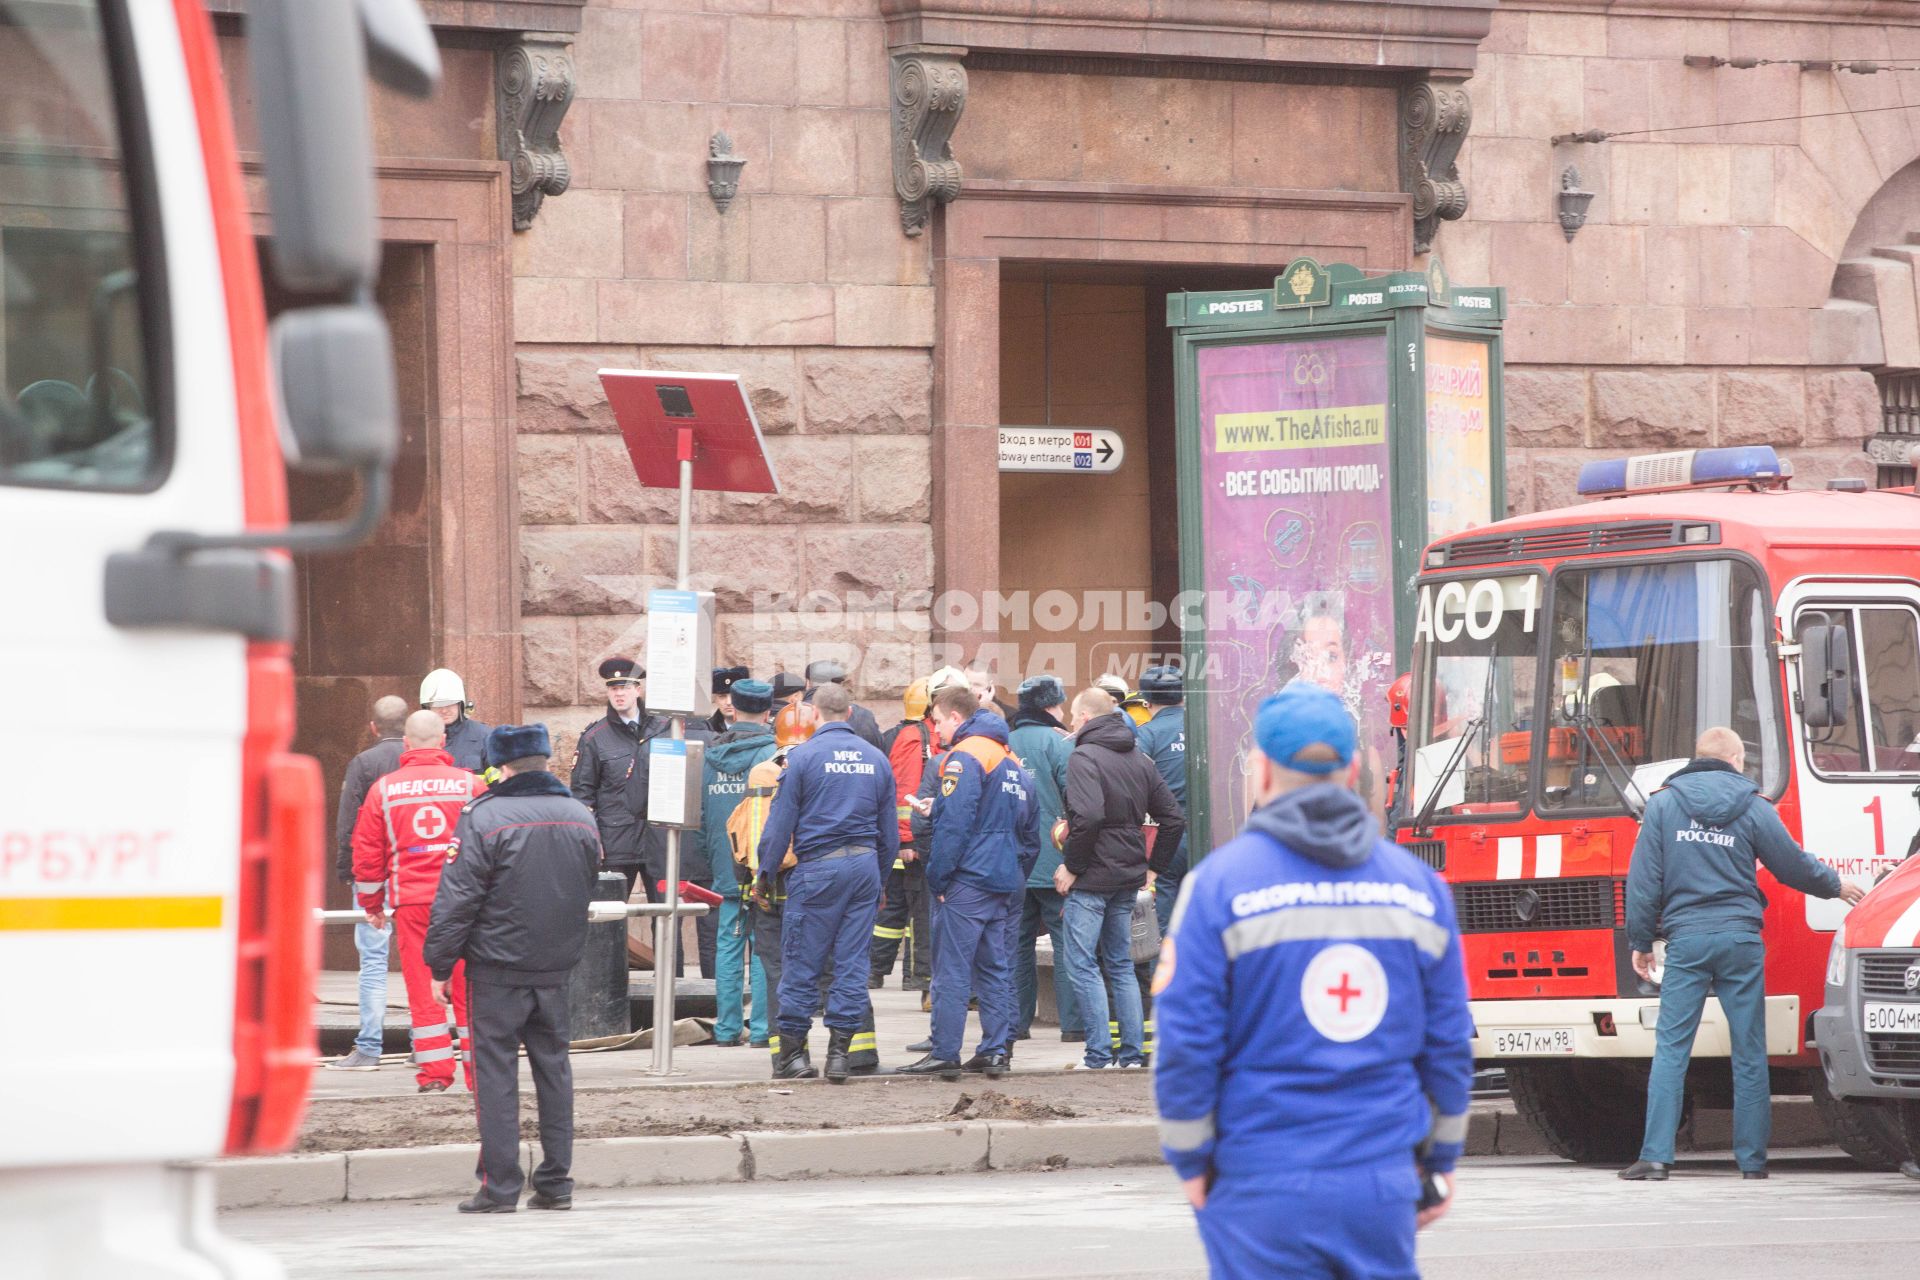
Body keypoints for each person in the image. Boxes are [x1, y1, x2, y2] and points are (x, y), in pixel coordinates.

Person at [1153, 682, 1474, 1279]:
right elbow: (1450, 1045)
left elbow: (1186, 1045)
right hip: (1380, 1183)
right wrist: (1440, 1160)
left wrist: (1191, 1160)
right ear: (1353, 770)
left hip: (1257, 1182)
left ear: (1261, 771)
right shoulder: (1419, 890)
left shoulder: (1219, 888)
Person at [1619, 727, 1865, 1182]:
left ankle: (1655, 1157)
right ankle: (1752, 1161)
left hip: (1687, 940)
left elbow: (1643, 882)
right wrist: (1836, 885)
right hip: (1739, 940)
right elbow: (1791, 864)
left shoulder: (1663, 805)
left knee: (1672, 1048)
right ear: (1735, 760)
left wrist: (1639, 941)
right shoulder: (1753, 805)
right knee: (1749, 1050)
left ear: (1697, 759)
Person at [424, 724, 601, 1214]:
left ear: (500, 767)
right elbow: (588, 885)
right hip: (555, 967)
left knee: (496, 1074)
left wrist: (439, 963)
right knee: (555, 1069)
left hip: (496, 969)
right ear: (545, 761)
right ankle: (556, 1182)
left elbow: (458, 899)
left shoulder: (484, 817)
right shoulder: (579, 815)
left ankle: (500, 1187)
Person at [754, 683, 898, 1083]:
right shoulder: (876, 759)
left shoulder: (803, 758)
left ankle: (794, 1057)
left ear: (815, 714)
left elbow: (779, 827)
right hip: (865, 866)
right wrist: (879, 879)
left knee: (801, 961)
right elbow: (888, 832)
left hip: (818, 869)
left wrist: (765, 875)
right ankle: (840, 1056)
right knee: (852, 964)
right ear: (849, 714)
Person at [905, 686, 1040, 1079]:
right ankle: (995, 1050)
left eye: (938, 719)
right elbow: (1029, 833)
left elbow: (954, 827)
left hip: (968, 881)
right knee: (996, 967)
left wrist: (939, 877)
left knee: (951, 969)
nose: (935, 728)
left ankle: (945, 1051)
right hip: (1005, 879)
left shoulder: (964, 757)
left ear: (956, 718)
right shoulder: (1011, 760)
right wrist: (1015, 874)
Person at [1056, 687, 1184, 1069]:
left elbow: (1089, 817)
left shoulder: (1083, 757)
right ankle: (1131, 1054)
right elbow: (1173, 818)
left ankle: (1097, 1055)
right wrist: (1154, 866)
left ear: (1082, 718)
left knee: (1081, 964)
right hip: (1128, 875)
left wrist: (1072, 867)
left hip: (1092, 877)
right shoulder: (1139, 758)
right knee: (1121, 964)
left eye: (1074, 717)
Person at [350, 710, 479, 1092]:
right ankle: (481, 1076)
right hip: (466, 905)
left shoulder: (384, 790)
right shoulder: (471, 786)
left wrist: (373, 906)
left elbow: (367, 854)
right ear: (443, 741)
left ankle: (435, 1076)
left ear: (406, 744)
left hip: (414, 905)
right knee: (472, 991)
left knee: (424, 994)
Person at [328, 694, 408, 1071]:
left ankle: (369, 1048)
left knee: (373, 963)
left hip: (373, 876)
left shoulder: (363, 763)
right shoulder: (418, 764)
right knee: (420, 962)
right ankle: (427, 1045)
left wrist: (349, 871)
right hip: (415, 875)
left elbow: (348, 826)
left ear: (373, 728)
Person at [701, 678, 780, 1047]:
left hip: (724, 864)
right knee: (764, 947)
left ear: (732, 706)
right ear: (767, 712)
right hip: (760, 866)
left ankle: (727, 1029)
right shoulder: (772, 754)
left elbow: (702, 817)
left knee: (729, 946)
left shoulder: (710, 754)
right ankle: (762, 1030)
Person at [1006, 675, 1082, 1044]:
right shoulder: (1059, 743)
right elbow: (1077, 800)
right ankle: (1073, 1025)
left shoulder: (1001, 743)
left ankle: (1016, 1024)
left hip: (1012, 864)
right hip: (1056, 864)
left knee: (1016, 946)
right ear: (1050, 706)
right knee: (1067, 943)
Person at [569, 658, 659, 902]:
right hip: (615, 843)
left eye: (625, 688)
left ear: (637, 690)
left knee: (667, 919)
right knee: (609, 920)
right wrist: (593, 839)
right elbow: (582, 795)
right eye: (613, 689)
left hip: (658, 842)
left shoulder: (662, 729)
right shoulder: (595, 738)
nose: (619, 694)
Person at [871, 678, 934, 993]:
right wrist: (908, 841)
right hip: (911, 842)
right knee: (917, 912)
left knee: (893, 910)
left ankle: (876, 970)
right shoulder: (917, 737)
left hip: (894, 841)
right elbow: (909, 789)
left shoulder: (892, 736)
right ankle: (917, 977)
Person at [1133, 666, 1189, 935]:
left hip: (1164, 837)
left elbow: (1135, 786)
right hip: (1210, 834)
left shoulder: (1146, 734)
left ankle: (1163, 977)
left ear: (1147, 703)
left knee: (1163, 923)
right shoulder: (1209, 729)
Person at [420, 667, 493, 775]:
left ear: (460, 704)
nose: (444, 710)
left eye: (450, 703)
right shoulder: (418, 739)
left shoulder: (484, 737)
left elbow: (500, 785)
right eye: (437, 705)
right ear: (427, 708)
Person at [804, 658, 885, 748]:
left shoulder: (792, 713)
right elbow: (879, 750)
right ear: (840, 684)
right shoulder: (864, 716)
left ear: (808, 683)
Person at [707, 665, 748, 734]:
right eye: (722, 696)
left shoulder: (756, 729)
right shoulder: (707, 728)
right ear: (715, 699)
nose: (728, 702)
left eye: (734, 696)